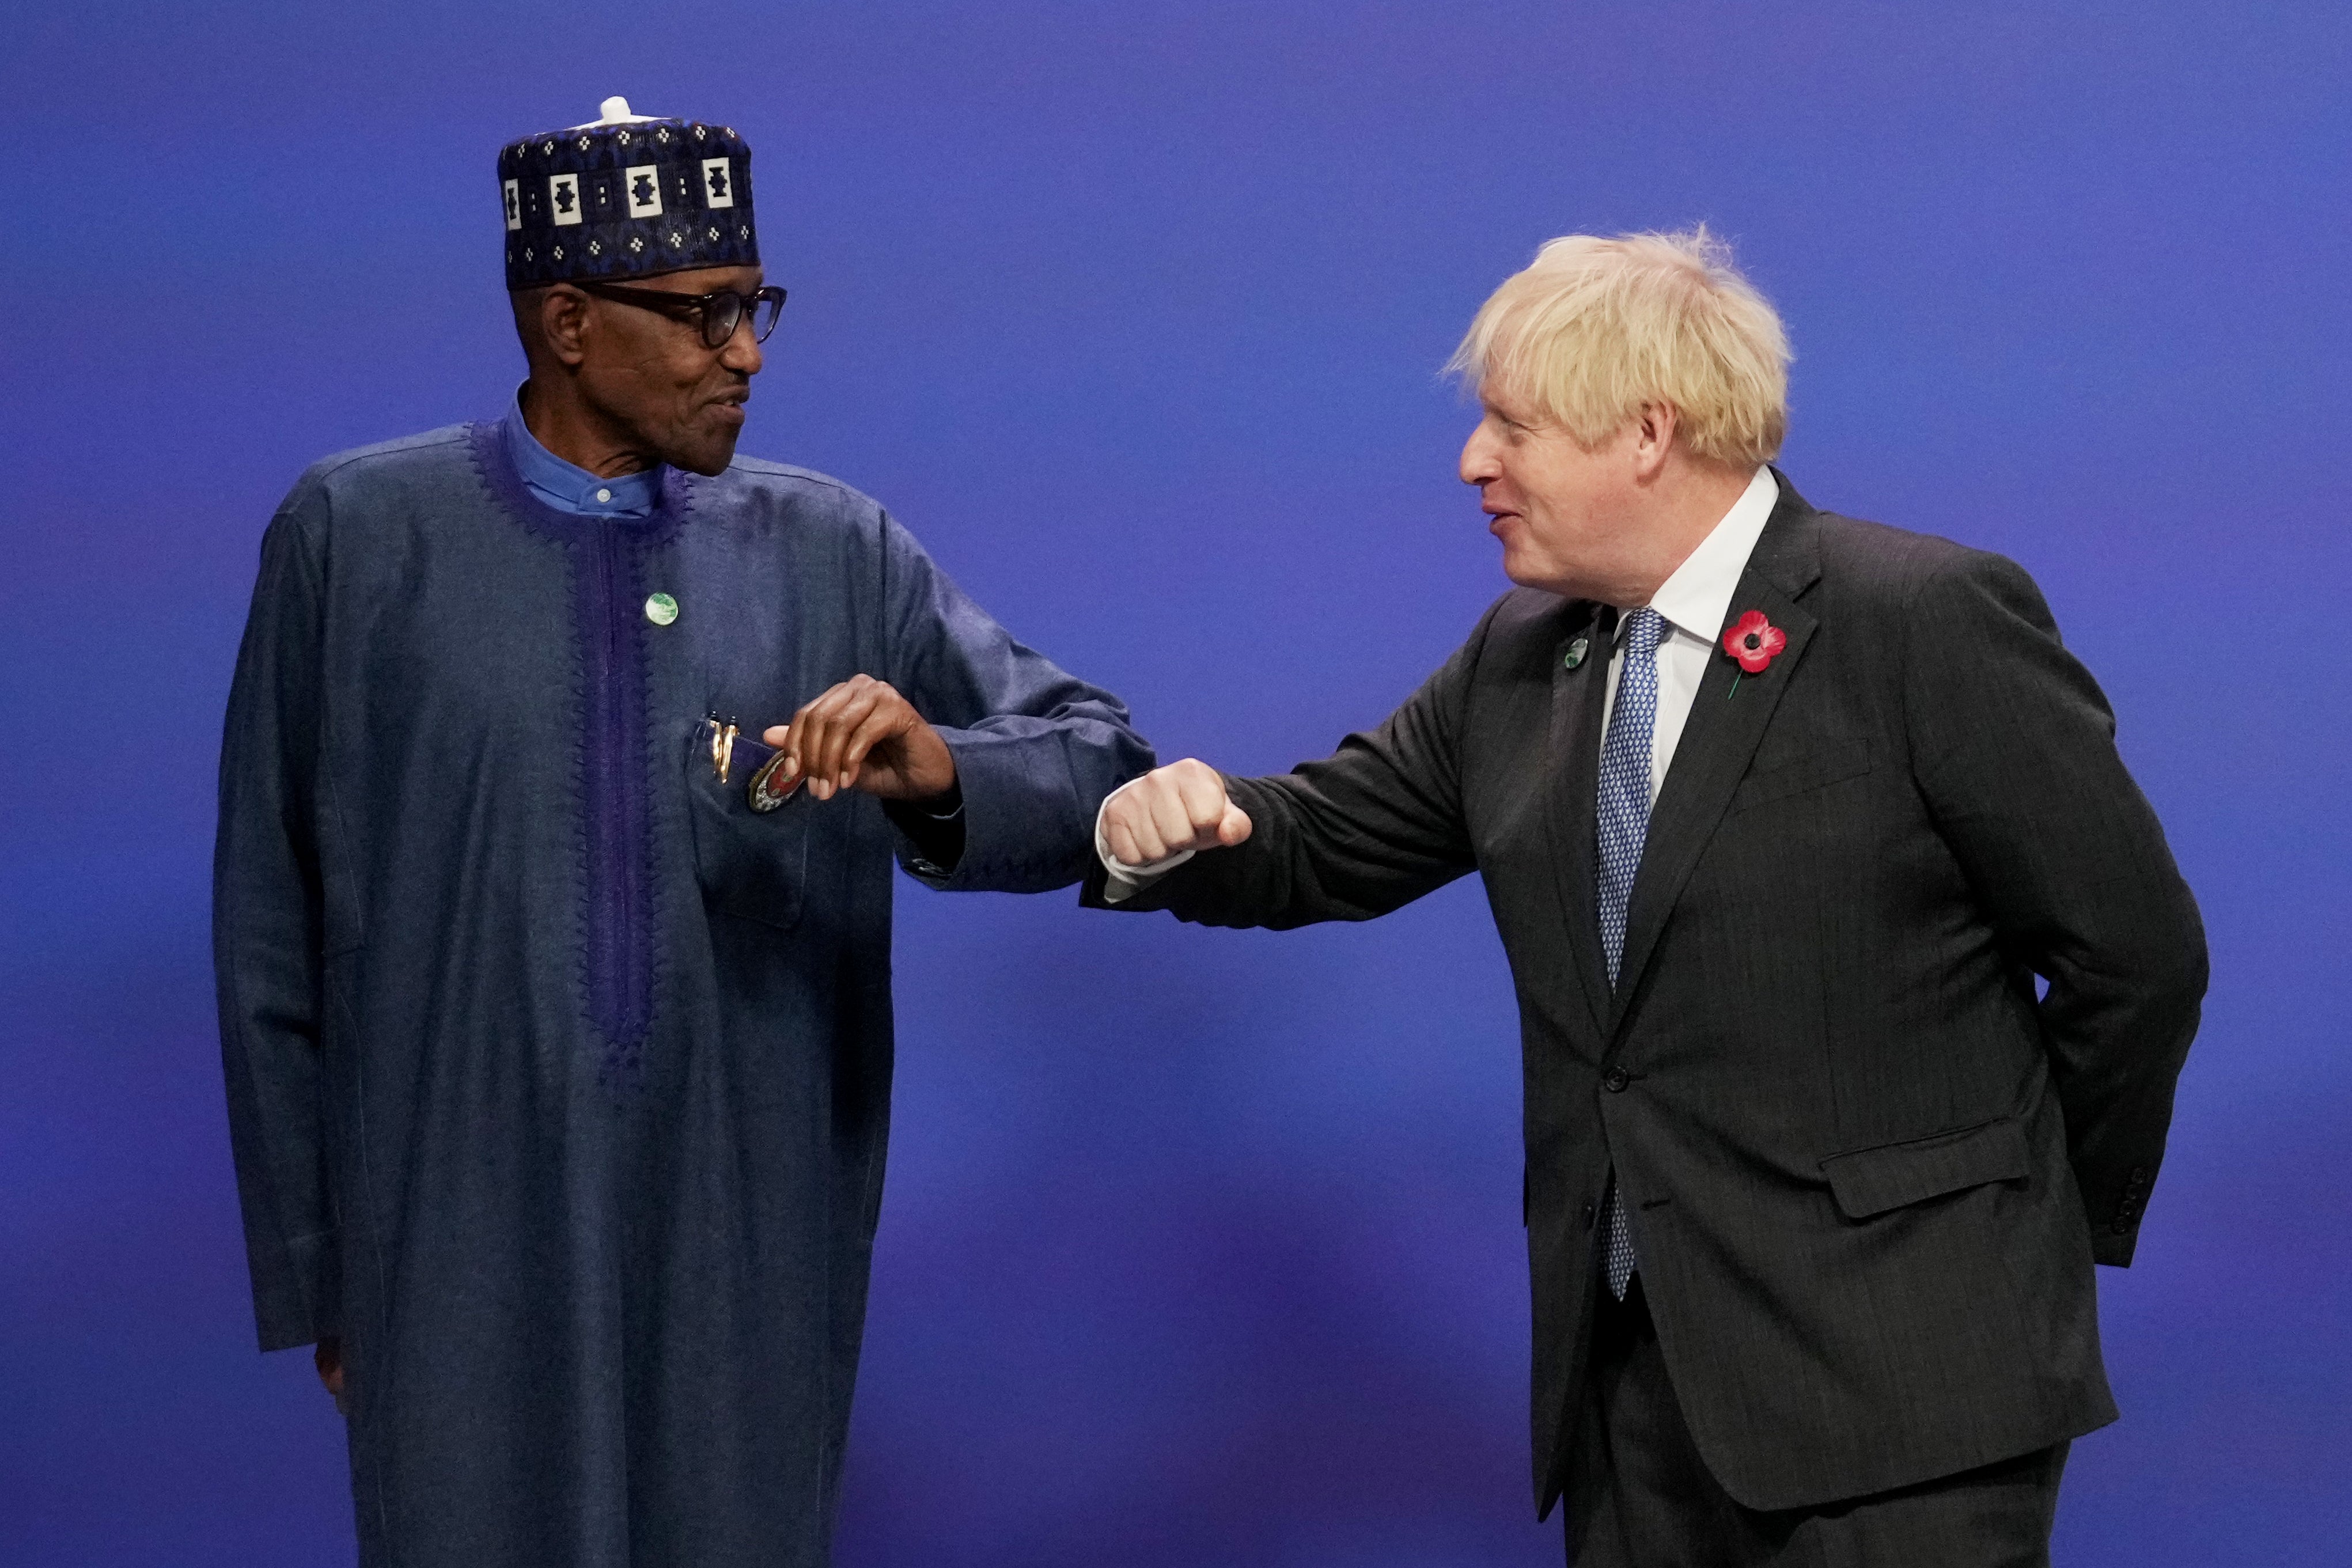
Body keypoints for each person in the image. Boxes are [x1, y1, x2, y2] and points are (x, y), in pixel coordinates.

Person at [1090, 228, 2205, 1565]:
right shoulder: (1523, 655)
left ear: (1645, 432)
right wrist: (1150, 824)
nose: (1472, 462)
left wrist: (2011, 1229)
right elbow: (1318, 837)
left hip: (1908, 1403)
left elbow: (2133, 959)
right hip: (1628, 1405)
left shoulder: (1914, 619)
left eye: (1511, 425)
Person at [214, 97, 1153, 1567]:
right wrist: (327, 1275)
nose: (748, 354)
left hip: (746, 1243)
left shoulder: (832, 547)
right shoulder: (357, 539)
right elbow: (272, 925)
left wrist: (932, 768)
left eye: (755, 306)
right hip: (453, 1253)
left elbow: (1098, 760)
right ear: (568, 321)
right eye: (705, 314)